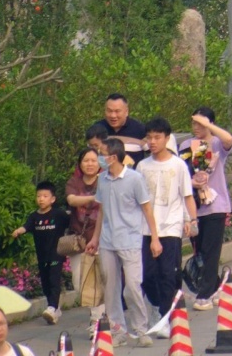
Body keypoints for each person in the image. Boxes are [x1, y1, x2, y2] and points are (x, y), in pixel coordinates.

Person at [87, 137, 158, 347]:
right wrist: (95, 238)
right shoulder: (102, 180)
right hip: (108, 241)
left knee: (133, 286)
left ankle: (141, 329)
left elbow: (146, 209)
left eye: (102, 153)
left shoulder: (135, 179)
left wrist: (154, 238)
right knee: (110, 287)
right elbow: (101, 211)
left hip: (130, 240)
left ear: (114, 156)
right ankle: (118, 330)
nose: (99, 157)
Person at [135, 118, 197, 322]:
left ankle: (165, 317)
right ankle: (157, 306)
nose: (152, 141)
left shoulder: (178, 165)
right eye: (149, 137)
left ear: (167, 138)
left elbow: (186, 196)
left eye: (157, 137)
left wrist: (191, 220)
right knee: (148, 276)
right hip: (146, 229)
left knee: (168, 274)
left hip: (171, 227)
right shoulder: (142, 166)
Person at [181, 109, 232, 308]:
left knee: (211, 251)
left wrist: (208, 127)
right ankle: (214, 287)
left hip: (216, 206)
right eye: (193, 123)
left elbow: (229, 139)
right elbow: (180, 170)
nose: (196, 127)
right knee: (199, 252)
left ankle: (204, 295)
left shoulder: (217, 144)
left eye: (200, 124)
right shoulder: (187, 145)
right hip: (194, 206)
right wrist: (190, 183)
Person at [11, 181, 70, 324]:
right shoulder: (34, 217)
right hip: (42, 256)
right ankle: (54, 309)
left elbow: (71, 221)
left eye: (45, 196)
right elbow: (26, 227)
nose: (41, 199)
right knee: (45, 283)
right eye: (39, 196)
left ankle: (52, 307)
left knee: (53, 280)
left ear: (53, 199)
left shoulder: (59, 214)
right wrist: (19, 231)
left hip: (56, 254)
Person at [65, 147, 104, 325]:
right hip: (79, 241)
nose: (90, 164)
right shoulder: (74, 182)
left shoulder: (106, 180)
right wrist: (95, 198)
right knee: (80, 282)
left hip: (102, 239)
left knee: (100, 280)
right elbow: (72, 200)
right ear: (80, 163)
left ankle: (97, 321)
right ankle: (97, 316)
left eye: (93, 160)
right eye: (86, 160)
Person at [93, 93, 151, 165]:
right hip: (104, 175)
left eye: (117, 111)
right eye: (109, 111)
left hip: (132, 175)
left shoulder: (140, 129)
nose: (113, 115)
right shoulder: (98, 129)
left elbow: (154, 154)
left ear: (126, 111)